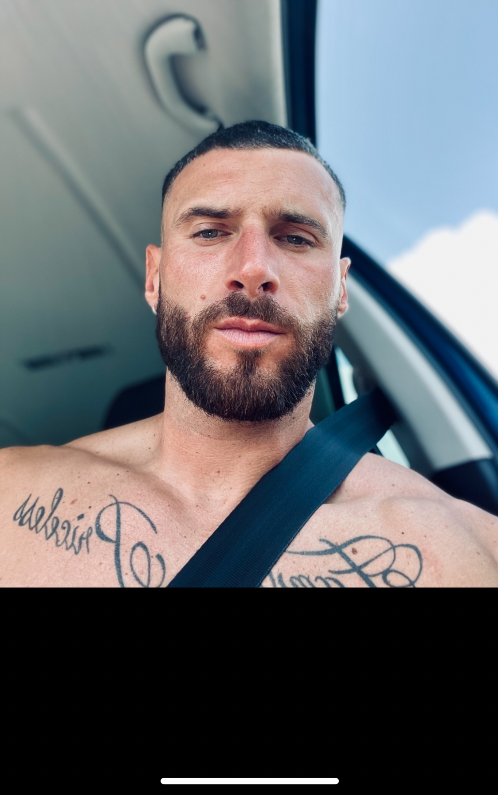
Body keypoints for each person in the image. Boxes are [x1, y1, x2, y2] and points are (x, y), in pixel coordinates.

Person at [1, 121, 497, 588]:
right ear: (155, 278)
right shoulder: (10, 493)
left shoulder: (472, 553)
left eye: (296, 238)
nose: (254, 268)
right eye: (210, 231)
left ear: (341, 289)